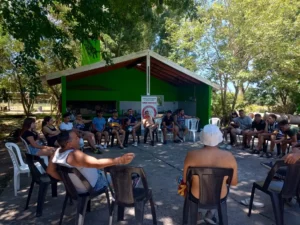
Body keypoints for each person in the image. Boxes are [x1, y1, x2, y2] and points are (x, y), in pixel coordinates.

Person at [181, 124, 238, 224]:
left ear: (202, 137)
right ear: (219, 138)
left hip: (196, 196)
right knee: (223, 188)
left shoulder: (191, 155)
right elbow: (233, 183)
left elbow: (185, 180)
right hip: (219, 196)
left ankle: (197, 215)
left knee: (183, 184)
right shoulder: (229, 156)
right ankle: (211, 213)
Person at [46, 131, 135, 193]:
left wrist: (68, 182)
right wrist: (119, 160)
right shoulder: (74, 155)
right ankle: (128, 195)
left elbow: (50, 171)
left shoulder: (56, 152)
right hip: (93, 185)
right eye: (76, 138)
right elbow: (97, 163)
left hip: (74, 188)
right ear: (69, 143)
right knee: (120, 175)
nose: (79, 138)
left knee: (108, 171)